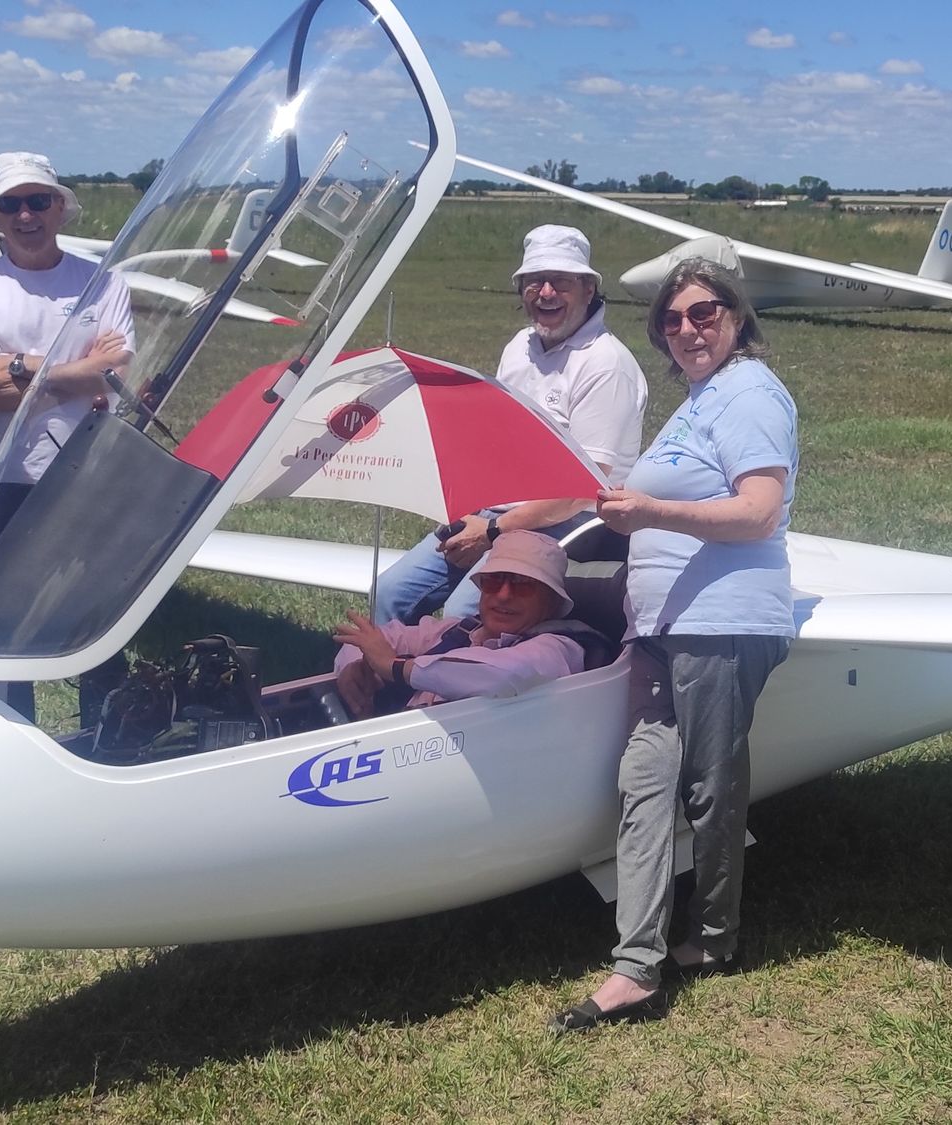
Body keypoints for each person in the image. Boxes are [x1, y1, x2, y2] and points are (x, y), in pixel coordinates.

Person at [550, 258, 798, 1032]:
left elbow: (759, 512)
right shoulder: (703, 396)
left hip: (721, 624)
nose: (687, 328)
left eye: (704, 312)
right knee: (645, 781)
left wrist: (650, 510)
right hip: (663, 628)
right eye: (672, 318)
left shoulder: (752, 392)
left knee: (708, 787)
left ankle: (716, 937)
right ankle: (636, 967)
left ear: (736, 315)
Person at [372, 225, 646, 625]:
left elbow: (585, 489)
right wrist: (464, 510)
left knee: (468, 608)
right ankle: (390, 682)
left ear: (589, 289)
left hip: (569, 526)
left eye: (560, 282)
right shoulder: (520, 347)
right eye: (534, 282)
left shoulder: (606, 363)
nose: (546, 292)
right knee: (390, 593)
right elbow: (495, 443)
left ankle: (454, 683)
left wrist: (493, 531)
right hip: (496, 510)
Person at [0, 151, 135, 720]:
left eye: (37, 202)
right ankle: (13, 729)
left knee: (94, 612)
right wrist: (74, 375)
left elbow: (115, 375)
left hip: (87, 473)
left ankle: (110, 732)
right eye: (11, 205)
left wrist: (22, 368)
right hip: (5, 477)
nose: (25, 215)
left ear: (59, 208)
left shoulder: (102, 282)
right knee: (7, 619)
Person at [333, 531, 590, 717]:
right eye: (493, 581)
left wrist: (396, 667)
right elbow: (377, 638)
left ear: (553, 602)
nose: (503, 594)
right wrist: (354, 668)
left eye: (523, 586)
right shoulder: (457, 630)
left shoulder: (557, 649)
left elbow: (504, 673)